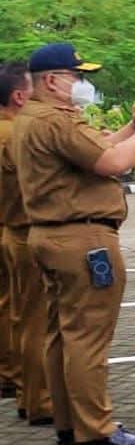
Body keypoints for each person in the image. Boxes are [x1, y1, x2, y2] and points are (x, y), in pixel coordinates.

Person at [14, 42, 135, 445]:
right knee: (87, 337)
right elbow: (114, 163)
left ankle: (69, 421)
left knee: (61, 334)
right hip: (83, 239)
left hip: (51, 235)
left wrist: (132, 128)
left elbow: (99, 149)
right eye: (76, 76)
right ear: (51, 81)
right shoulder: (55, 119)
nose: (82, 84)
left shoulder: (36, 117)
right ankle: (96, 428)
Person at [0, 62, 53, 425]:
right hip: (23, 228)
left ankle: (17, 382)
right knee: (35, 319)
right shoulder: (13, 133)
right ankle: (39, 398)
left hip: (11, 228)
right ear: (20, 96)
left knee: (15, 312)